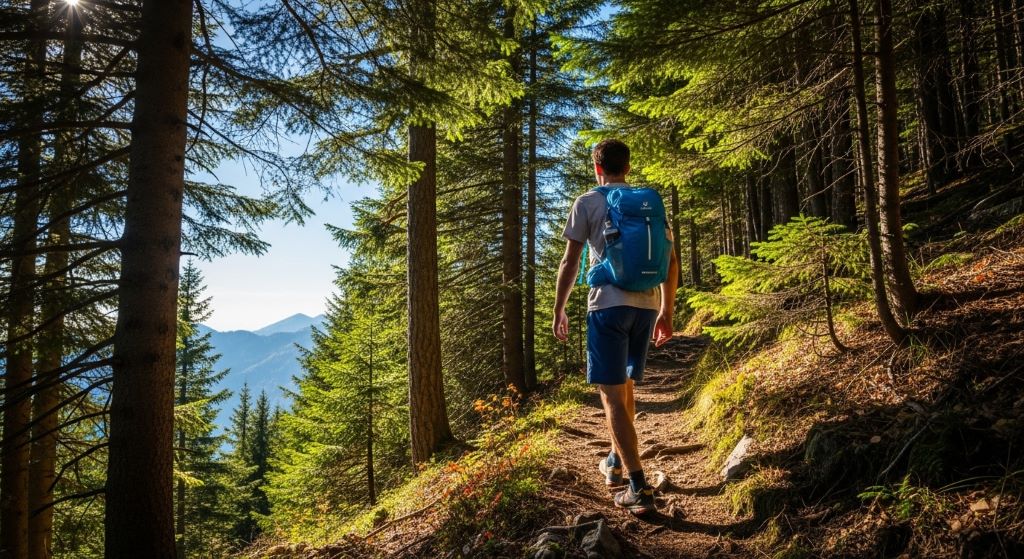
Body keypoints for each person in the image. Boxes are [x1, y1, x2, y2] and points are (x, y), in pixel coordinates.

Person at [552, 139, 679, 515]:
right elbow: (670, 263)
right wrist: (666, 311)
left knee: (610, 395)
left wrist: (559, 308)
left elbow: (569, 262)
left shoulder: (588, 201)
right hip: (646, 307)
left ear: (597, 167)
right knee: (625, 387)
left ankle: (638, 487)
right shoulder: (648, 205)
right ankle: (615, 461)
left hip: (607, 306)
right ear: (627, 166)